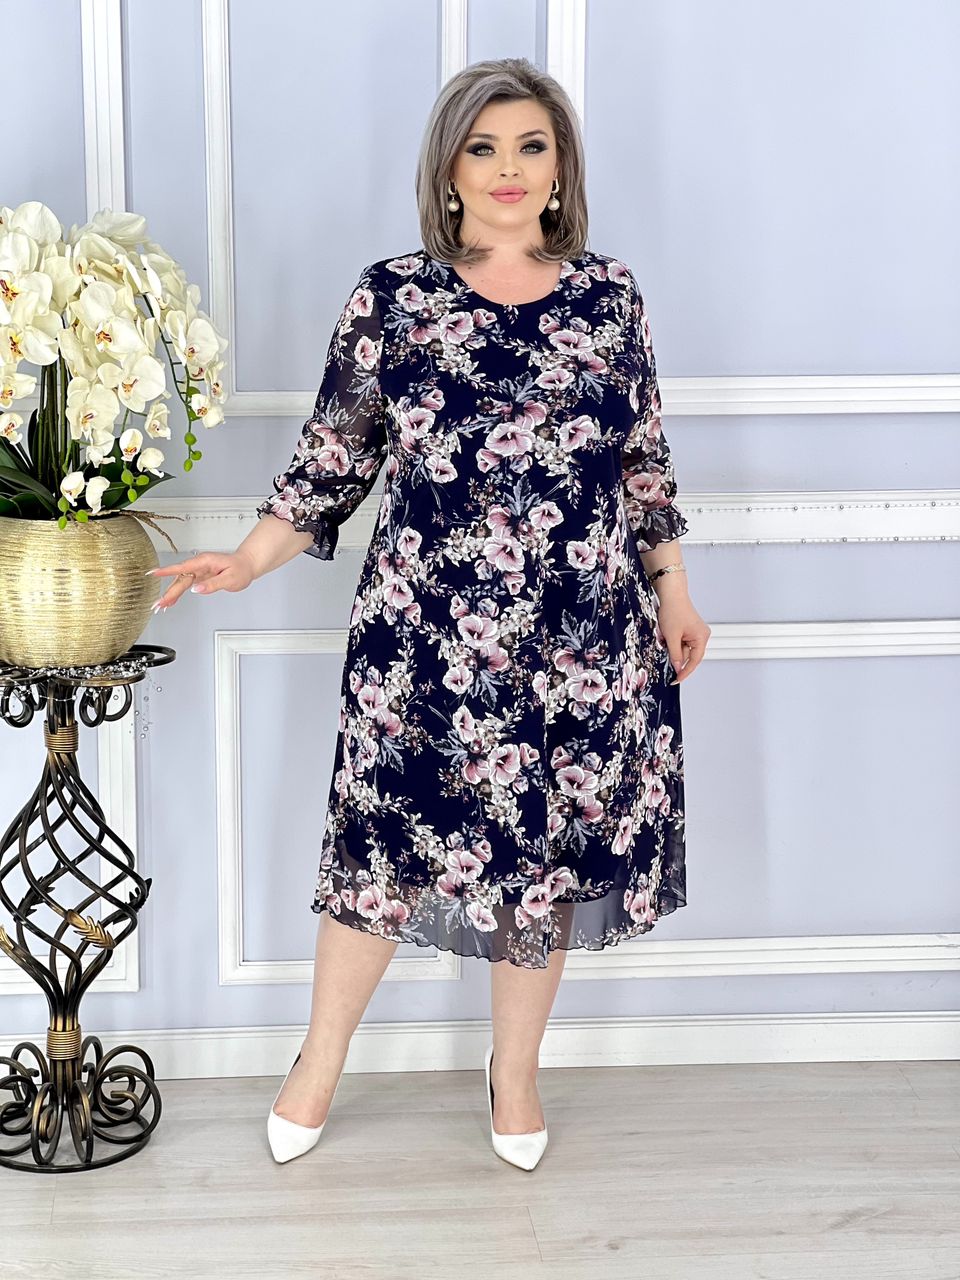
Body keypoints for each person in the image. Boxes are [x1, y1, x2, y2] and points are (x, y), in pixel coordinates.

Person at [150, 56, 711, 1171]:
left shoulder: (610, 296)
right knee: (380, 854)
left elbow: (641, 462)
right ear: (448, 171)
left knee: (546, 864)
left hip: (581, 643)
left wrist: (675, 590)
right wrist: (248, 560)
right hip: (425, 647)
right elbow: (330, 462)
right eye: (482, 148)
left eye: (531, 146)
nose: (508, 169)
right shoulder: (394, 297)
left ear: (561, 167)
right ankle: (318, 1062)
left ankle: (516, 1073)